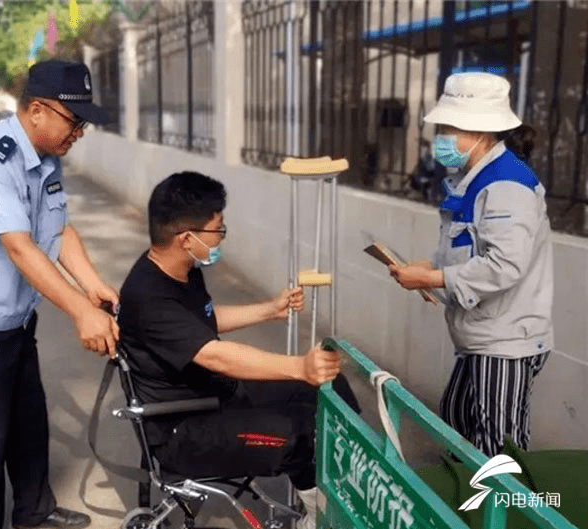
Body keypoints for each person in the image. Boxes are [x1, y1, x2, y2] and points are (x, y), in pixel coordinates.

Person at [0, 59, 119, 529]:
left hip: (13, 319)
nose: (79, 132)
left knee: (29, 425)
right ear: (37, 110)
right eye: (75, 121)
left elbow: (58, 229)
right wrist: (80, 311)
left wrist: (94, 287)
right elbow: (19, 246)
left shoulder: (46, 158)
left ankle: (34, 512)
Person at [117, 171, 360, 529]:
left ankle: (347, 488)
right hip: (183, 430)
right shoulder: (149, 295)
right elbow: (215, 355)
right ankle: (322, 519)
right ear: (187, 238)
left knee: (330, 388)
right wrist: (298, 367)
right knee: (301, 433)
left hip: (212, 397)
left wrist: (268, 310)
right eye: (218, 230)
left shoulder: (181, 269)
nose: (221, 238)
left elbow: (203, 319)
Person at [389, 72, 553, 457]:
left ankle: (503, 516)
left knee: (497, 449)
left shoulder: (507, 186)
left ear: (480, 131)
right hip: (481, 335)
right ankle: (466, 510)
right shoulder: (473, 179)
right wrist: (428, 268)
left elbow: (504, 265)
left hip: (505, 340)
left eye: (449, 127)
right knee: (457, 419)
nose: (441, 136)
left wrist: (431, 277)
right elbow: (468, 249)